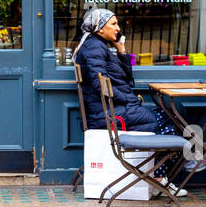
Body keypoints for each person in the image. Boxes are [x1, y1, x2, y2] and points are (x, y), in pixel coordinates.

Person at [73, 8, 177, 136]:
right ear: (100, 28)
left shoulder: (99, 46)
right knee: (166, 114)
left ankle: (167, 155)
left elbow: (127, 78)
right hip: (103, 115)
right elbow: (101, 85)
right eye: (113, 24)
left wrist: (121, 50)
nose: (118, 28)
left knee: (173, 110)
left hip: (111, 110)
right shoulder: (94, 47)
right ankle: (166, 155)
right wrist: (129, 99)